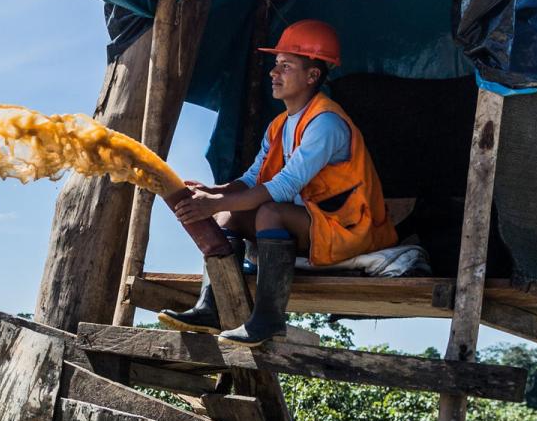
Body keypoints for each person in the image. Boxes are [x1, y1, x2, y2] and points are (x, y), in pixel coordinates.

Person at [158, 19, 394, 344]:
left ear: (312, 76)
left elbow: (284, 186)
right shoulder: (278, 125)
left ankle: (269, 320)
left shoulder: (326, 123)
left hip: (349, 228)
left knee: (270, 212)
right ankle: (211, 306)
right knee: (229, 215)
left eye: (286, 65)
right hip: (314, 223)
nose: (274, 72)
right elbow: (253, 177)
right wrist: (212, 192)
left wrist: (216, 203)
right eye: (275, 64)